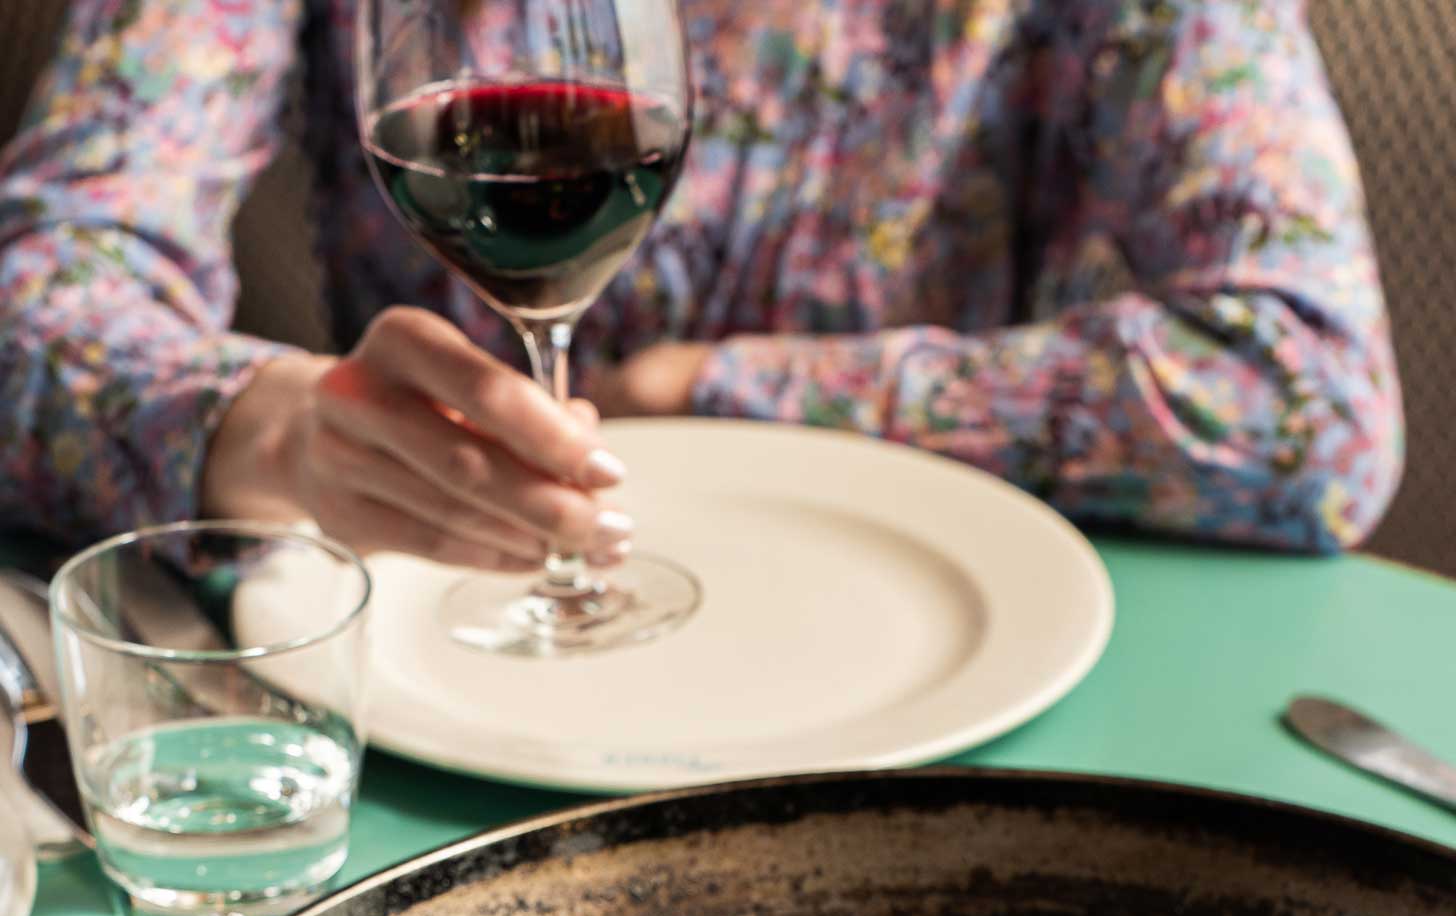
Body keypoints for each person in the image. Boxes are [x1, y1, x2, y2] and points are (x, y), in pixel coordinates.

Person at [0, 0, 1403, 568]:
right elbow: (36, 294)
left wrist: (716, 392)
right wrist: (273, 424)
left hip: (916, 634)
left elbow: (1308, 395)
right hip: (431, 664)